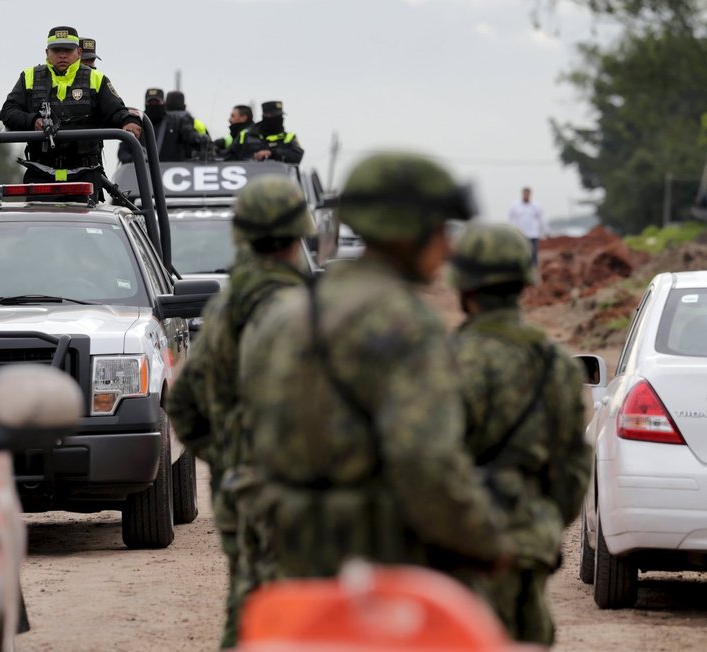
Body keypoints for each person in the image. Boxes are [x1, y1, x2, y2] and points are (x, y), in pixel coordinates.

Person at [237, 152, 512, 587]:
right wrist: (486, 541)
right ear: (407, 232)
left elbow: (248, 437)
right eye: (441, 229)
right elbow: (426, 462)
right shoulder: (406, 324)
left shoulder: (285, 316)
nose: (449, 246)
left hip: (287, 565)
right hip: (377, 575)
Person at [168, 176, 313, 649]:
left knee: (250, 605)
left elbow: (183, 402)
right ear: (300, 235)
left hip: (240, 487)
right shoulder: (307, 310)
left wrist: (228, 454)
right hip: (301, 491)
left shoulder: (224, 308)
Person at [448, 222, 591, 646]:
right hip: (527, 547)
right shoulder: (558, 365)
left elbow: (419, 464)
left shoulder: (441, 360)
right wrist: (539, 522)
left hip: (455, 549)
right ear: (525, 284)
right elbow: (573, 471)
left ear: (462, 287)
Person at [1, 25, 141, 191]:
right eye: (56, 50)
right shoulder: (28, 77)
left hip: (85, 173)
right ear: (47, 53)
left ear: (79, 53)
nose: (62, 55)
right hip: (40, 172)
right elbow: (8, 111)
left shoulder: (96, 79)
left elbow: (116, 111)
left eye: (68, 50)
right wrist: (34, 121)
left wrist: (130, 121)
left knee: (88, 218)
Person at [118, 88, 209, 163]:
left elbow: (189, 136)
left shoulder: (175, 123)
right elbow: (123, 152)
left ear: (163, 103)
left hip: (173, 176)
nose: (153, 105)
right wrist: (137, 161)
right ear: (145, 104)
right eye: (150, 102)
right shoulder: (136, 123)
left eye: (157, 102)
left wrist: (202, 139)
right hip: (143, 178)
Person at [233, 100, 303, 164]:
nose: (279, 119)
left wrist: (272, 153)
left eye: (280, 116)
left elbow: (297, 156)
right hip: (248, 175)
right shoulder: (246, 135)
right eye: (274, 116)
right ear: (264, 115)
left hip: (278, 176)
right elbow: (230, 155)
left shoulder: (288, 138)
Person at [507, 187, 546, 267]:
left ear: (530, 194)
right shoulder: (515, 206)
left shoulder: (536, 206)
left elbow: (541, 219)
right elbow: (511, 219)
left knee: (533, 252)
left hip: (533, 234)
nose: (526, 196)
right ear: (522, 194)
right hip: (521, 234)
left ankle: (534, 268)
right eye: (525, 194)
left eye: (527, 194)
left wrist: (545, 231)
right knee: (522, 252)